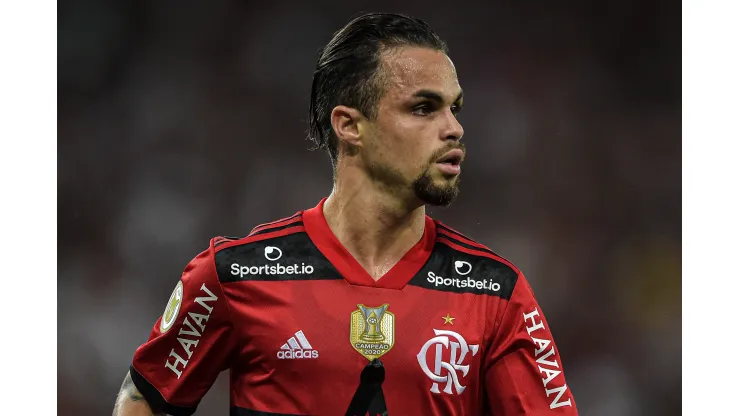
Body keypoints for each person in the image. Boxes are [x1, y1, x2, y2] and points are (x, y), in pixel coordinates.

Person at [113, 12, 578, 416]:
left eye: (454, 109)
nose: (454, 128)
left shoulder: (497, 293)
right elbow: (147, 398)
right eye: (423, 108)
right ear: (350, 125)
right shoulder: (234, 276)